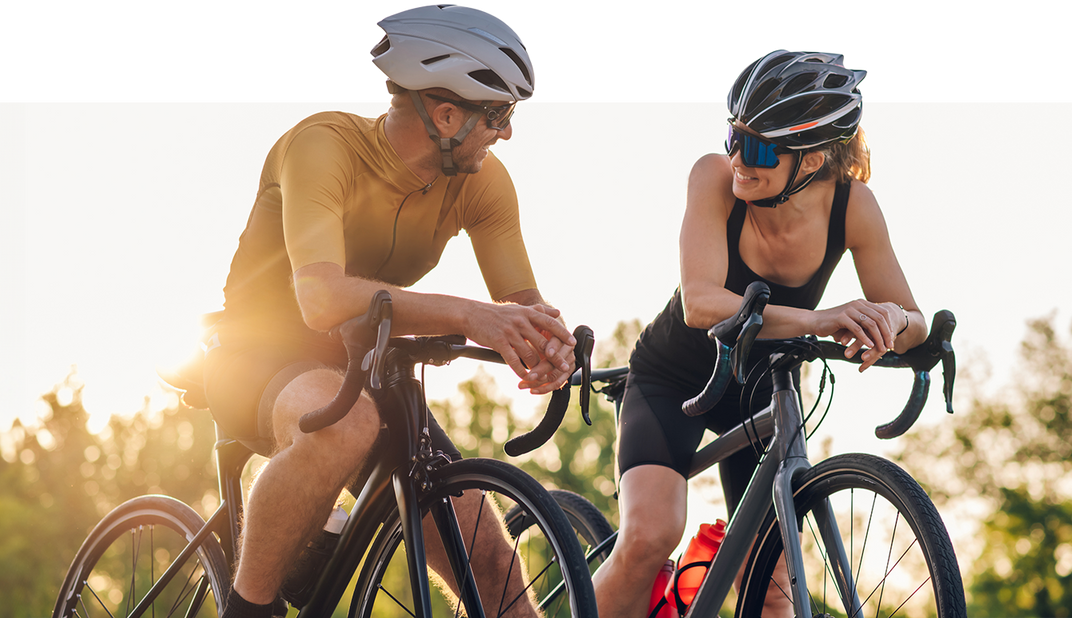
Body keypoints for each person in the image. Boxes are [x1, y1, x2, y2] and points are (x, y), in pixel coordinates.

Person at [199, 3, 576, 616]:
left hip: (368, 367)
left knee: (492, 559)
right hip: (256, 349)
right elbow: (320, 298)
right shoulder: (322, 146)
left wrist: (546, 338)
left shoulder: (482, 182)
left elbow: (521, 302)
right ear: (445, 113)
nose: (506, 131)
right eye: (499, 114)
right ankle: (247, 608)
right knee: (343, 426)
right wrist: (470, 316)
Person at [591, 48, 926, 618]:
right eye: (734, 136)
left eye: (761, 147)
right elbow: (701, 303)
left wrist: (892, 319)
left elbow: (914, 322)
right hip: (675, 379)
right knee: (651, 536)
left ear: (815, 157)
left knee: (773, 585)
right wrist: (821, 320)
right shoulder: (714, 178)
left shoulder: (853, 207)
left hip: (761, 395)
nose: (739, 158)